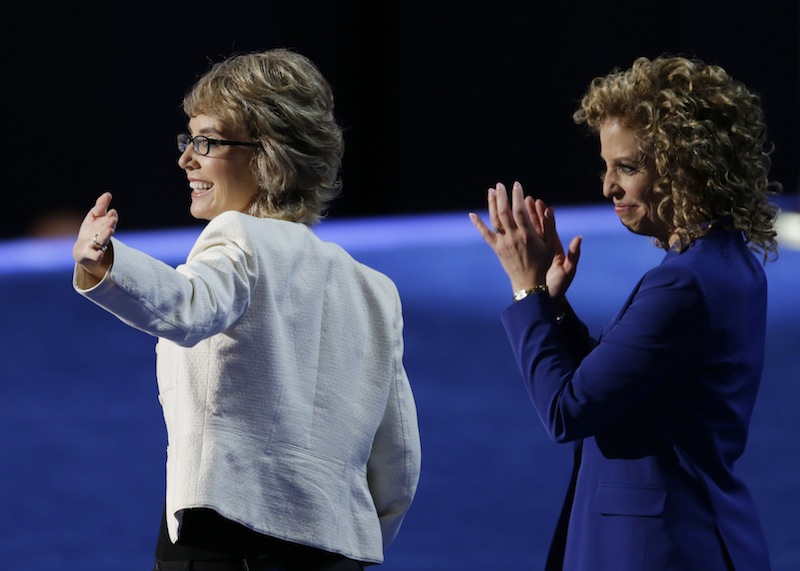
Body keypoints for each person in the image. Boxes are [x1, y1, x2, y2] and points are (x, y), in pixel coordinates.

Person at [73, 48, 421, 571]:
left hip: (223, 542)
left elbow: (189, 307)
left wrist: (107, 263)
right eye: (188, 140)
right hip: (336, 548)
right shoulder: (376, 289)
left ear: (270, 155)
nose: (186, 158)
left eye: (206, 141)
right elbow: (399, 461)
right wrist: (353, 539)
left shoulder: (237, 237)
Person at [470, 55, 779, 570]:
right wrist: (554, 303)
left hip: (655, 551)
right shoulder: (728, 264)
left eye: (627, 168)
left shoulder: (682, 284)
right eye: (607, 167)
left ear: (686, 166)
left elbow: (567, 411)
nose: (607, 187)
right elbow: (626, 382)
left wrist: (526, 291)